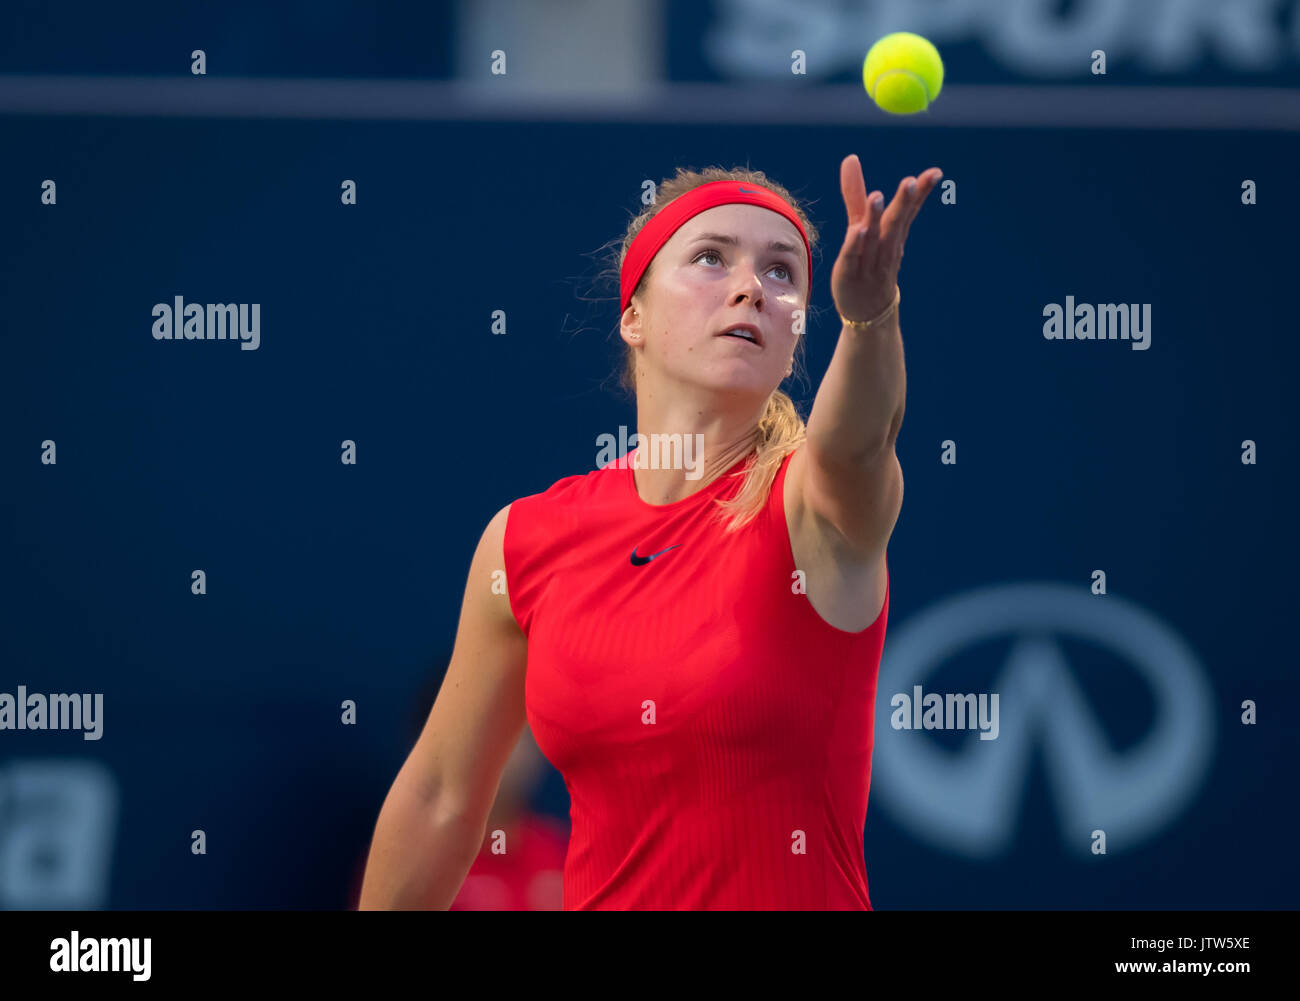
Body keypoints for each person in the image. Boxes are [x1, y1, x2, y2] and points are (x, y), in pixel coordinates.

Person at [358, 155, 942, 910]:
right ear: (633, 315)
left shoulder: (815, 507)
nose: (750, 288)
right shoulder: (525, 541)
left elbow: (859, 443)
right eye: (711, 257)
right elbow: (441, 795)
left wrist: (870, 316)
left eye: (781, 273)